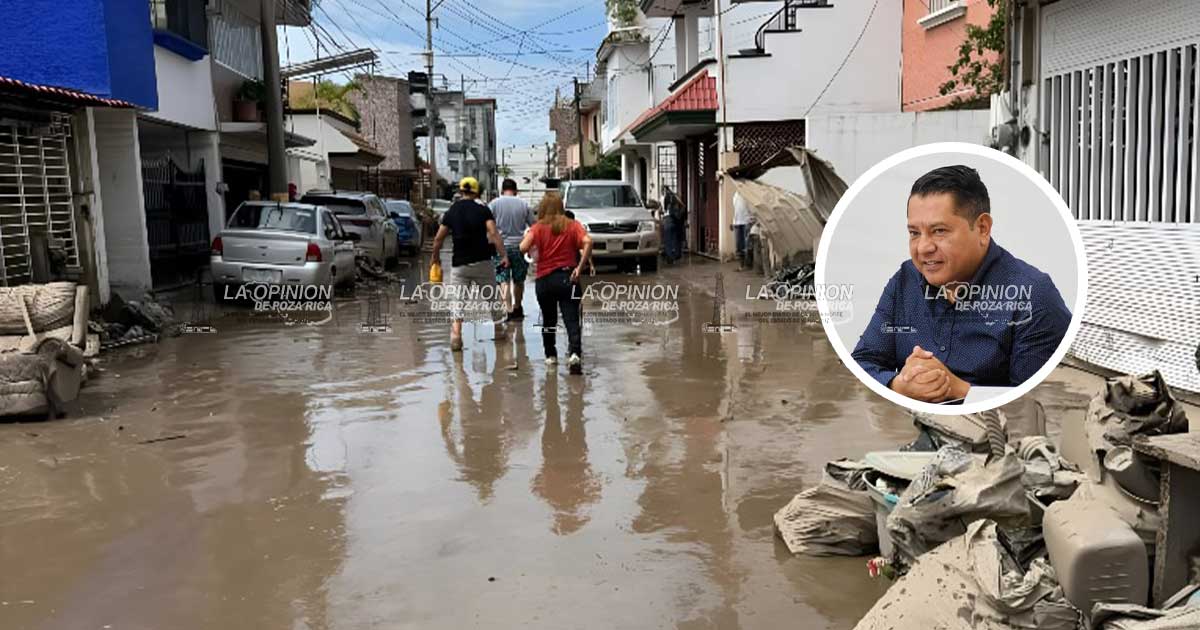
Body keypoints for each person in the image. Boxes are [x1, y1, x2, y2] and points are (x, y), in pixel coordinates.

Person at [851, 165, 1072, 403]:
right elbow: (862, 362)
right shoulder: (905, 280)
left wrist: (960, 390)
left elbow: (1038, 404)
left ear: (982, 228)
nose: (923, 248)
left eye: (939, 231)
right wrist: (898, 385)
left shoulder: (1033, 296)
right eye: (914, 233)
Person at [430, 177, 510, 352]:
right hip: (483, 261)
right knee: (492, 297)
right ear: (477, 192)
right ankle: (498, 330)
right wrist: (503, 255)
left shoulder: (452, 211)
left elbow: (438, 239)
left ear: (460, 191)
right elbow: (493, 233)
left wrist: (435, 258)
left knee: (457, 301)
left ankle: (456, 336)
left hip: (460, 264)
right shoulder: (483, 210)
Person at [520, 194, 593, 375]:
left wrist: (534, 249)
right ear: (561, 207)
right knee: (572, 318)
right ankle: (574, 354)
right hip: (569, 278)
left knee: (548, 319)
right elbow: (588, 242)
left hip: (544, 281)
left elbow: (522, 247)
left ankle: (551, 356)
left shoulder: (537, 228)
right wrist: (580, 267)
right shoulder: (572, 225)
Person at [489, 178, 535, 321]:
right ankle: (517, 308)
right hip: (520, 247)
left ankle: (508, 309)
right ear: (516, 190)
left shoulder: (493, 204)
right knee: (519, 280)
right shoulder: (524, 204)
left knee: (503, 280)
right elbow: (534, 226)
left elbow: (488, 226)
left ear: (502, 190)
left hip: (500, 247)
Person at [662, 188, 686, 264]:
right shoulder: (673, 206)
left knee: (670, 241)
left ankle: (671, 256)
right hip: (673, 224)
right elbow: (678, 215)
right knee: (673, 240)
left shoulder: (669, 205)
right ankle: (673, 256)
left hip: (668, 224)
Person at [732, 190, 752, 269]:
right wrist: (733, 223)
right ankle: (741, 265)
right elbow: (736, 209)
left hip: (746, 221)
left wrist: (751, 220)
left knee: (747, 244)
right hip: (737, 223)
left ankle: (748, 264)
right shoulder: (735, 195)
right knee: (738, 245)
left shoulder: (747, 193)